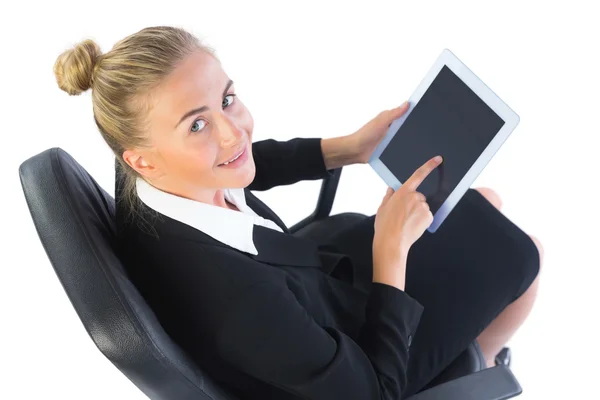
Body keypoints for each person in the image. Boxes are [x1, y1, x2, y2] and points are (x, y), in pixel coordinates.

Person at [53, 26, 542, 399]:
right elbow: (371, 390)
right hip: (360, 353)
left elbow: (242, 163)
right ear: (143, 157)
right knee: (523, 250)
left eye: (226, 100)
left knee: (478, 205)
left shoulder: (144, 173)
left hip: (305, 280)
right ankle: (469, 368)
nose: (233, 133)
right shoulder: (234, 300)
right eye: (198, 124)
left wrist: (344, 149)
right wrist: (390, 253)